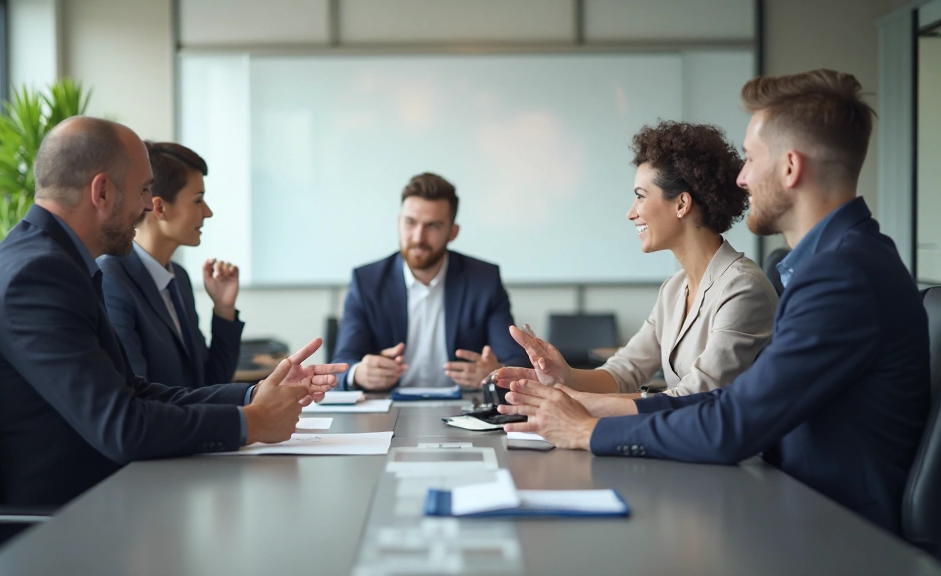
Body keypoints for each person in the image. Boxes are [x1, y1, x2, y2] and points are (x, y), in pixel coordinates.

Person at [497, 69, 930, 535]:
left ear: (790, 166)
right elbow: (733, 401)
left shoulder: (841, 276)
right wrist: (578, 401)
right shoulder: (838, 261)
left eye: (750, 158)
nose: (741, 178)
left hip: (834, 530)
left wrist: (585, 430)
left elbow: (734, 422)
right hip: (797, 500)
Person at [0, 116, 347, 512]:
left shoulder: (56, 261)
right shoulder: (39, 275)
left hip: (99, 499)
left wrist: (254, 395)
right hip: (64, 523)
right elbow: (122, 426)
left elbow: (135, 389)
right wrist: (252, 423)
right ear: (103, 192)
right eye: (144, 190)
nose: (149, 205)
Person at [507, 121, 778, 398]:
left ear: (682, 204)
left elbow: (696, 397)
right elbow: (625, 371)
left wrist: (574, 403)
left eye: (640, 197)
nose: (631, 213)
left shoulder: (743, 288)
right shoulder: (673, 290)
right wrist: (564, 376)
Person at [332, 172, 529, 390]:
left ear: (452, 232)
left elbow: (516, 362)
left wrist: (494, 375)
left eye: (433, 226)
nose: (418, 237)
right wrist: (359, 373)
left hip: (462, 412)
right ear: (399, 223)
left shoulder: (484, 281)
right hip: (385, 411)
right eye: (410, 222)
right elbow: (342, 364)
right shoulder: (366, 281)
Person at [98, 142, 242, 388]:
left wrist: (223, 310)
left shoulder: (179, 279)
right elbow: (135, 395)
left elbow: (210, 384)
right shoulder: (112, 278)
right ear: (160, 207)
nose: (208, 213)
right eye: (198, 201)